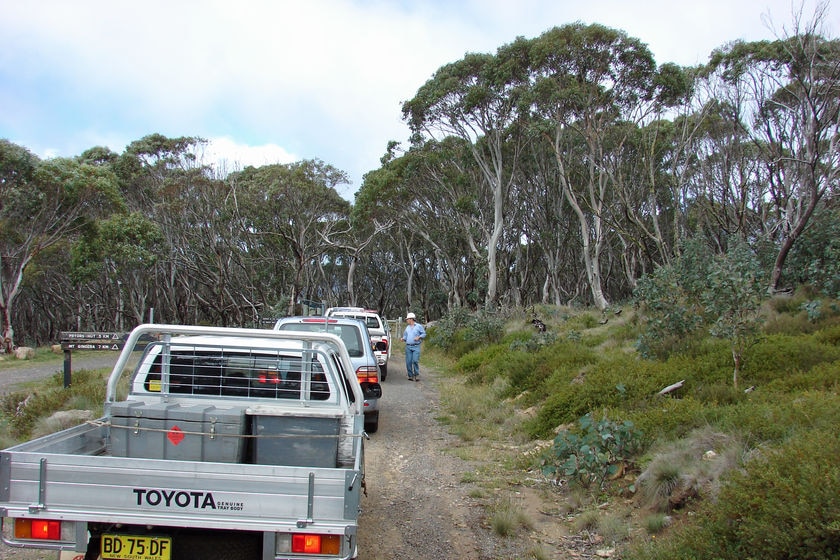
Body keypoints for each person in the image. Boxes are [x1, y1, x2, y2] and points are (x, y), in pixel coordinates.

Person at [400, 312, 426, 381]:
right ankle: (410, 375)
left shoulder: (418, 326)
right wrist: (403, 339)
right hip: (408, 346)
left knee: (415, 360)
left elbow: (424, 334)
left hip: (416, 346)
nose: (407, 320)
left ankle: (416, 374)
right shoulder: (407, 327)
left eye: (407, 319)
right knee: (408, 361)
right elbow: (405, 336)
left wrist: (419, 337)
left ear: (411, 319)